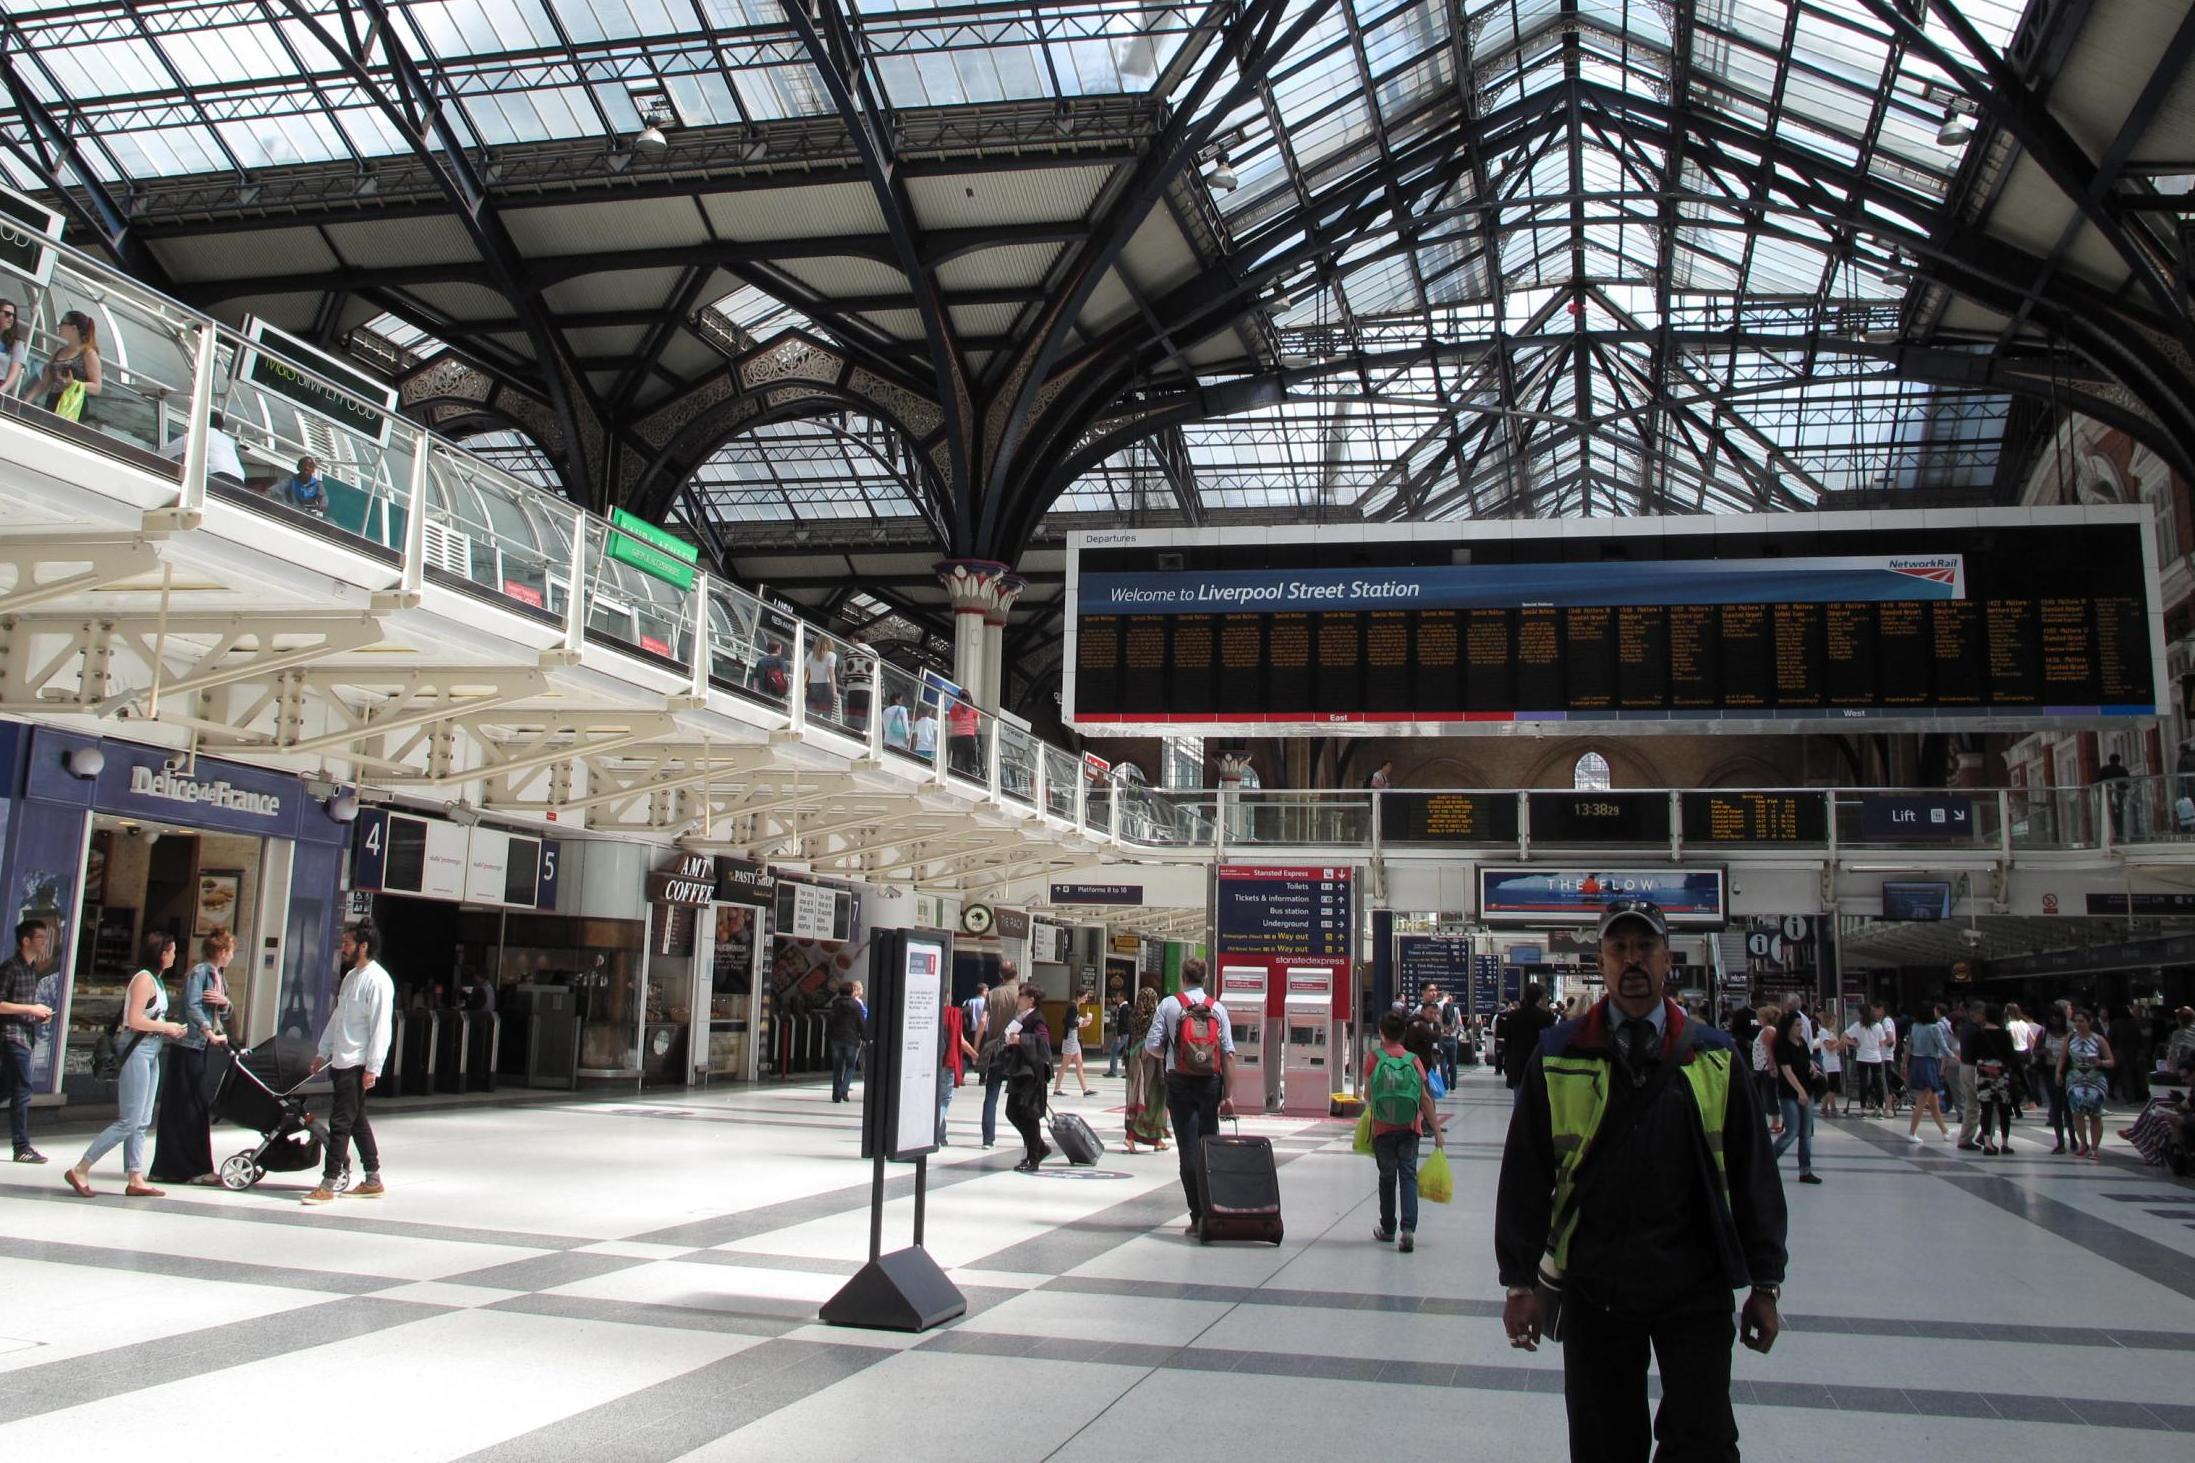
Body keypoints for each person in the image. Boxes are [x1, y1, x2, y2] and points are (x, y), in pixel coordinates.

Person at [1496, 900, 1787, 1461]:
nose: (1633, 960)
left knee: (1703, 1441)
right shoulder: (1558, 1055)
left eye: (1645, 947)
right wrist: (1519, 1282)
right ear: (1600, 961)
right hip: (1595, 1287)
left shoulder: (1715, 1056)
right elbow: (1526, 1175)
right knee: (1604, 1443)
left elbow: (1755, 1175)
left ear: (1667, 959)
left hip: (1695, 1285)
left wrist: (1766, 1284)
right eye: (1618, 948)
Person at [64, 933, 187, 1198]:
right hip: (137, 1050)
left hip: (152, 1049)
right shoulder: (144, 979)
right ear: (161, 953)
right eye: (172, 951)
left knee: (142, 1119)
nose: (175, 956)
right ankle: (82, 1167)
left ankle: (135, 1176)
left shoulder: (158, 980)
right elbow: (134, 1020)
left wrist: (169, 1029)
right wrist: (167, 1026)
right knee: (129, 1120)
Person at [1144, 958, 1236, 1236]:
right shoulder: (1217, 1008)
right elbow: (1228, 1053)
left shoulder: (1169, 1005)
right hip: (1211, 1083)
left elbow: (1151, 1045)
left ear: (1183, 977)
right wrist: (1228, 1096)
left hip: (1180, 1082)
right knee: (1209, 1145)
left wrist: (1175, 1056)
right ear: (1205, 978)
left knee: (1188, 1149)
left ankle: (1196, 1217)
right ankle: (1214, 1211)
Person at [305, 922, 394, 1203]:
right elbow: (338, 1017)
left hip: (357, 1062)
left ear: (363, 946)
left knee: (341, 1121)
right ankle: (372, 1178)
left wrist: (373, 1067)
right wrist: (323, 1051)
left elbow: (381, 1027)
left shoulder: (378, 980)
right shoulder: (351, 977)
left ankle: (328, 1182)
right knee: (356, 1120)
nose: (343, 948)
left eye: (347, 943)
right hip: (342, 1059)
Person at [149, 928, 235, 1185]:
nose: (231, 957)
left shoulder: (219, 976)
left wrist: (225, 1003)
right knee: (186, 1105)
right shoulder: (199, 973)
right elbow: (193, 1006)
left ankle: (186, 1166)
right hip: (189, 1044)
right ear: (221, 951)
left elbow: (225, 1010)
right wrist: (208, 1031)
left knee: (195, 1105)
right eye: (230, 952)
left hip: (202, 1046)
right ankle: (185, 1168)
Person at [1366, 1008, 1444, 1251]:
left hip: (1383, 1128)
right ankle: (1408, 1230)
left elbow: (1368, 1095)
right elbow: (1425, 1100)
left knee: (1387, 1178)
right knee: (1408, 1176)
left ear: (1381, 1033)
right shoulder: (1412, 1060)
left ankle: (1388, 1228)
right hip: (1410, 1127)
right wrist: (1438, 1133)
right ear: (1403, 1035)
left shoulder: (1374, 1058)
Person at [1, 918, 57, 1164]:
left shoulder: (32, 969)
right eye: (40, 938)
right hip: (12, 1036)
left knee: (6, 1087)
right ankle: (21, 1146)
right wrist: (32, 1009)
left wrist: (37, 1016)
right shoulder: (11, 968)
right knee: (22, 1090)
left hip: (25, 1033)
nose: (44, 943)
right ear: (25, 941)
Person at [1002, 985, 1053, 1172]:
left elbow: (1043, 1043)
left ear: (1031, 999)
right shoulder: (1021, 1018)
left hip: (1031, 1074)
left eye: (1021, 995)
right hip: (1020, 1072)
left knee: (1029, 1115)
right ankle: (1039, 1147)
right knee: (1012, 1112)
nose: (1018, 998)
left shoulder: (1037, 1018)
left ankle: (1034, 1158)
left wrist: (1021, 1040)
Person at [1769, 1007, 1821, 1185]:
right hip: (1790, 1093)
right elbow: (1786, 1071)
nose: (1801, 1028)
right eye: (1798, 1025)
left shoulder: (1801, 1043)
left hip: (1807, 1089)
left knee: (1806, 1133)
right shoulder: (1782, 1046)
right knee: (1791, 1132)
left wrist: (1813, 1069)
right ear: (1789, 1027)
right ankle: (1768, 1161)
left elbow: (1806, 1061)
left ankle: (1805, 1170)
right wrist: (1800, 1091)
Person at [2059, 1007, 2115, 1161]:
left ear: (2089, 1022)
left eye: (2081, 1021)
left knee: (2095, 1114)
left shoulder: (2098, 1039)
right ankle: (2083, 1143)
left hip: (2095, 1078)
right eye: (2076, 1021)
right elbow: (2063, 1057)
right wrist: (2058, 1072)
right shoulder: (2070, 1037)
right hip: (2075, 1077)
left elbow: (2111, 1061)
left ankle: (2095, 1147)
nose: (2078, 1024)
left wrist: (2100, 1062)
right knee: (2077, 1112)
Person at [977, 961, 1021, 1149]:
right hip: (1016, 1050)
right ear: (1016, 973)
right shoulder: (1021, 994)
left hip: (995, 1049)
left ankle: (988, 1139)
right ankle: (1026, 1135)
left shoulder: (993, 994)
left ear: (1000, 975)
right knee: (1020, 1094)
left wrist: (976, 1048)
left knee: (991, 1095)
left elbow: (982, 1021)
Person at [1122, 987, 1170, 1154]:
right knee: (1152, 1098)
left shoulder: (1134, 1016)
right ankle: (1132, 1136)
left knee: (1137, 1096)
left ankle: (1156, 1139)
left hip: (1135, 1058)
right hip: (1151, 1060)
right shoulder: (1154, 1018)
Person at [33, 309, 101, 422]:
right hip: (53, 402)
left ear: (73, 328)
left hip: (72, 406)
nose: (59, 326)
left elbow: (97, 387)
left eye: (63, 323)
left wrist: (73, 383)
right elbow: (44, 383)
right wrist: (25, 401)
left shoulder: (88, 354)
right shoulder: (58, 352)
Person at [1970, 1004, 2017, 1155]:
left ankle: (1988, 1143)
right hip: (2001, 1074)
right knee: (2004, 1109)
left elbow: (1972, 1056)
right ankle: (2005, 1142)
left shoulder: (1978, 1034)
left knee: (1986, 1108)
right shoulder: (2004, 1034)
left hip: (1983, 1073)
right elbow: (2011, 1057)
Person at [1904, 1001, 1953, 1144]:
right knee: (1923, 1099)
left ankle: (1944, 1131)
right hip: (1930, 1063)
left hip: (1917, 1062)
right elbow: (1943, 1047)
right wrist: (1956, 1057)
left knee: (1933, 1101)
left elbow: (1909, 1047)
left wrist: (1904, 1064)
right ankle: (1912, 1132)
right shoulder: (1934, 1028)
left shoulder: (1914, 1027)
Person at [161, 410, 246, 486]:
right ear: (221, 427)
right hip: (239, 480)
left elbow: (163, 454)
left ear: (202, 422)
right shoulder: (229, 441)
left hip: (217, 474)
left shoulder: (198, 434)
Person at [1502, 984, 1555, 1092]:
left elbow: (1508, 1042)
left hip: (1518, 1065)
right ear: (1540, 998)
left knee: (1518, 1101)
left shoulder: (1513, 1016)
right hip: (1538, 1066)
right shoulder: (1546, 1017)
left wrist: (1507, 1064)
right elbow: (1550, 1044)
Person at [2036, 1005, 2074, 1154]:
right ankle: (2060, 1142)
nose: (2054, 1020)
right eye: (2051, 1017)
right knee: (2056, 1106)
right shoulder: (2044, 1032)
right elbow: (2035, 1050)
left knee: (2069, 1107)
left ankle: (2074, 1139)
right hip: (2050, 1070)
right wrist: (2043, 1052)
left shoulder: (2070, 1033)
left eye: (2057, 1016)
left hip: (2067, 1070)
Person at [1844, 1003, 1892, 1116]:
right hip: (1876, 1057)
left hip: (1862, 1057)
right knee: (1878, 1082)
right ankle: (1880, 1108)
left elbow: (1843, 1036)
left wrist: (1854, 1043)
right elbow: (1881, 1042)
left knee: (1863, 1082)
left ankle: (1863, 1109)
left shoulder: (1858, 1026)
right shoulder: (1878, 1026)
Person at [825, 980, 865, 1103]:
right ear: (852, 991)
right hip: (851, 1040)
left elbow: (830, 1021)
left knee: (837, 1067)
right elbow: (861, 1023)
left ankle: (836, 1095)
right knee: (850, 1066)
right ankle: (843, 1089)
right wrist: (864, 1036)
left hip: (836, 1040)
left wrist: (828, 1035)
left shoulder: (835, 1004)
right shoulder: (856, 1005)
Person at [1053, 997, 1094, 1098]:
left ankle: (1085, 1089)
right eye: (1085, 996)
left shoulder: (1075, 1006)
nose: (1086, 998)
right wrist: (1083, 1022)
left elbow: (1070, 1022)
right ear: (1080, 996)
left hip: (1074, 1037)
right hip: (1070, 1037)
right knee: (1065, 1064)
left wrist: (1082, 1023)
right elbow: (1069, 1022)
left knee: (1079, 1063)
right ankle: (1057, 1088)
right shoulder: (1072, 1006)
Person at [1812, 1020, 1844, 1118]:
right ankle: (1833, 1107)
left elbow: (1838, 1047)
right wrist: (1838, 1043)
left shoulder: (1831, 1033)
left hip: (1834, 1062)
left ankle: (1824, 1107)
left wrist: (1840, 1043)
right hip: (1828, 1063)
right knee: (1830, 1086)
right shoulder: (1824, 1032)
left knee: (1832, 1085)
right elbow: (1829, 1047)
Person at [804, 638, 839, 720]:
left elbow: (804, 672)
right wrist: (835, 691)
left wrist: (803, 685)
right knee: (826, 716)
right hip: (826, 687)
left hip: (812, 686)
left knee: (810, 716)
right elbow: (831, 673)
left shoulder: (811, 654)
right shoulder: (832, 655)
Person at [2097, 752, 2131, 838]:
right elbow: (2127, 783)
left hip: (2108, 795)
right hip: (2119, 795)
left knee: (2109, 815)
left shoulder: (2104, 770)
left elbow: (2098, 782)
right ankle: (2120, 833)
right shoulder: (2122, 770)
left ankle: (2111, 834)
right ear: (2118, 760)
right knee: (2120, 814)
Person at [946, 694, 980, 777]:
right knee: (968, 762)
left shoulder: (954, 708)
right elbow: (978, 725)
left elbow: (949, 724)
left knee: (957, 763)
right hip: (969, 738)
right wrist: (973, 732)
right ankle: (968, 779)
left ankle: (957, 779)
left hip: (957, 737)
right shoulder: (974, 709)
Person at [0, 299, 28, 399]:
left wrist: (2, 390)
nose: (11, 318)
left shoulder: (16, 344)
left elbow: (15, 372)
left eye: (14, 316)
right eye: (7, 314)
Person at [1106, 991, 1133, 1078]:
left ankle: (1113, 1071)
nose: (1116, 998)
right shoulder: (1129, 1007)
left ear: (1122, 997)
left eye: (1117, 996)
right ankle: (1128, 1072)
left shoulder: (1123, 1008)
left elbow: (1122, 1023)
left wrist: (1118, 1035)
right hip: (1128, 1033)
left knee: (1114, 1050)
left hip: (1123, 1034)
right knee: (1127, 1052)